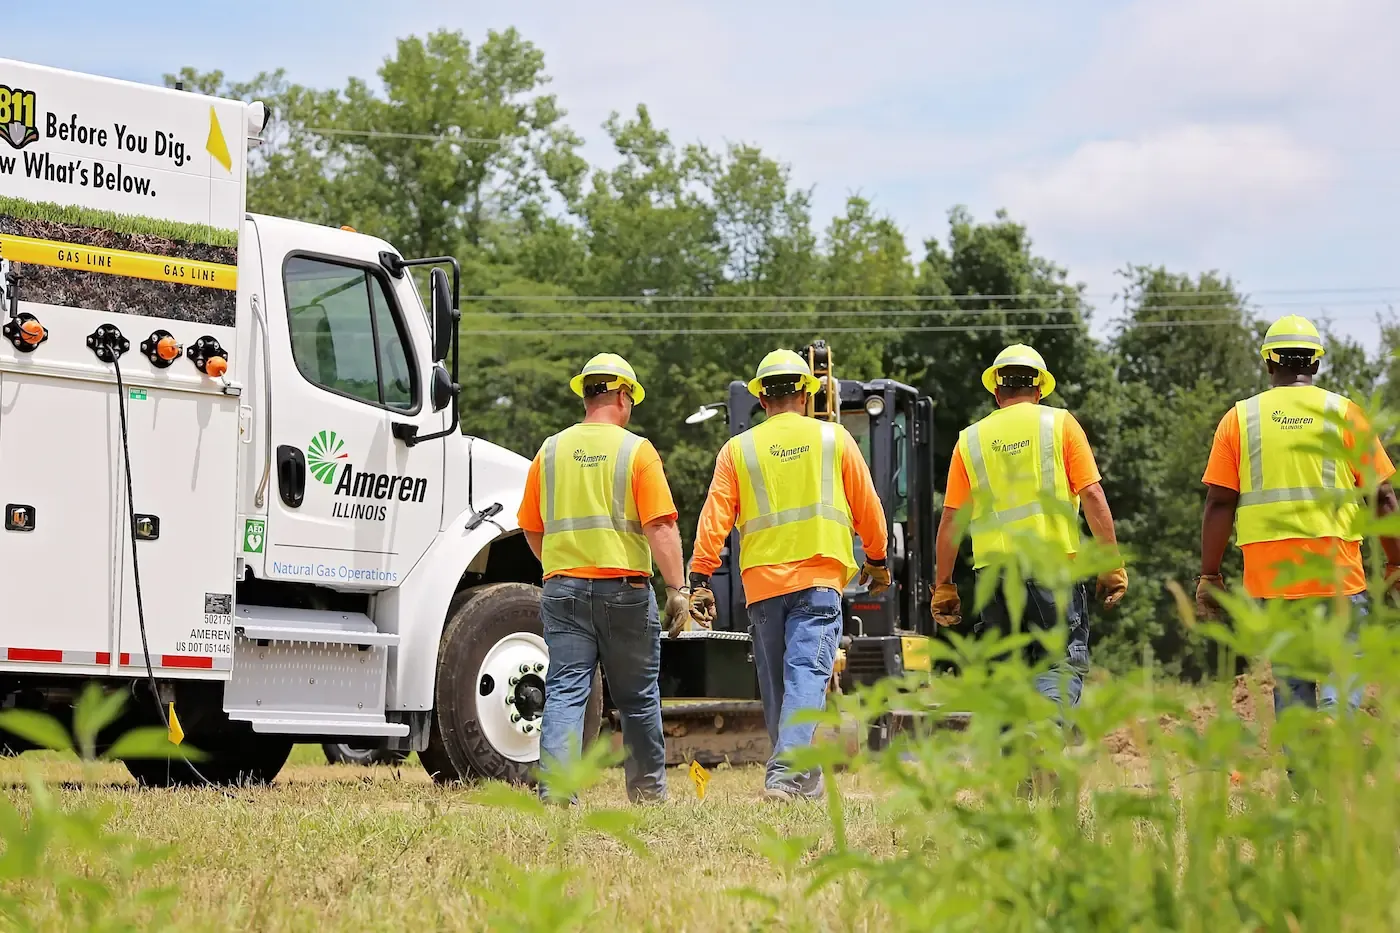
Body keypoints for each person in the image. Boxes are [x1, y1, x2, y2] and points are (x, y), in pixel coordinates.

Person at [687, 349, 889, 800]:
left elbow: (714, 517)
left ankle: (805, 785)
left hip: (761, 585)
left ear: (761, 397)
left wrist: (700, 575)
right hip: (817, 581)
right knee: (806, 677)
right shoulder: (834, 439)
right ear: (805, 392)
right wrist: (877, 560)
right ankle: (786, 774)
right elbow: (869, 508)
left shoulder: (738, 449)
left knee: (780, 684)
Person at [1197, 315, 1400, 721]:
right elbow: (1382, 497)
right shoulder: (1344, 413)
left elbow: (1219, 504)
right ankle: (1334, 714)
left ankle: (1303, 776)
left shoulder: (1239, 418)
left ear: (1270, 363)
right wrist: (1396, 562)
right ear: (1317, 364)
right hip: (1336, 567)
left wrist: (1210, 575)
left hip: (1271, 576)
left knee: (1291, 675)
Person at [517, 353, 689, 803]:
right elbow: (661, 527)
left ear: (587, 394)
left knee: (566, 692)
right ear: (622, 396)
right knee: (636, 698)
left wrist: (558, 566)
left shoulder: (550, 451)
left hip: (563, 590)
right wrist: (677, 590)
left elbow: (531, 528)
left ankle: (555, 794)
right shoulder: (637, 451)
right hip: (625, 594)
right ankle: (648, 795)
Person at [930, 344, 1126, 709]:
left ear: (996, 390)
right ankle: (1043, 736)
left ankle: (1015, 761)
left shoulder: (970, 440)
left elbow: (951, 521)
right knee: (1059, 661)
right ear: (1039, 389)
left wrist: (944, 586)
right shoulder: (1061, 424)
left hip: (995, 577)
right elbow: (1094, 495)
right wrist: (1111, 564)